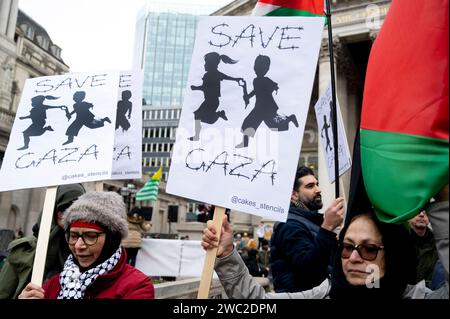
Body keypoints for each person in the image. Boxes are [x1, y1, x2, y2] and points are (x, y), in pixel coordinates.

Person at [202, 209, 448, 299]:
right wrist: (226, 255)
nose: (353, 258)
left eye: (369, 249)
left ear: (393, 255)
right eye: (348, 247)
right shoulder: (325, 293)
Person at [18, 191, 154, 299]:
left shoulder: (137, 286)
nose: (78, 245)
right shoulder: (54, 284)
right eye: (73, 236)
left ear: (112, 239)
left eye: (91, 236)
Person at [0, 184, 86, 299]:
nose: (65, 213)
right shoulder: (24, 249)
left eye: (73, 208)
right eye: (62, 207)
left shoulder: (86, 252)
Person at [269, 166, 344, 292]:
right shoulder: (289, 225)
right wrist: (327, 228)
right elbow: (308, 268)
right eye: (310, 186)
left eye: (317, 184)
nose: (318, 190)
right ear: (294, 194)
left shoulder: (309, 221)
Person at [236, 55, 298, 148]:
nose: (256, 70)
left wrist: (274, 88)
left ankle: (290, 118)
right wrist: (245, 90)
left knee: (268, 125)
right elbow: (255, 91)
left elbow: (273, 86)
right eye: (256, 67)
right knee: (249, 123)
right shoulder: (256, 80)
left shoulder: (265, 80)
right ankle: (245, 143)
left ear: (266, 69)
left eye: (259, 68)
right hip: (260, 107)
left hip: (266, 107)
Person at [189, 52, 242, 141]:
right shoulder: (213, 74)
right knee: (199, 116)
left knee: (201, 117)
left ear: (211, 64)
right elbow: (226, 77)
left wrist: (196, 88)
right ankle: (217, 115)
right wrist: (236, 79)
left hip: (211, 101)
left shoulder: (211, 74)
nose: (204, 65)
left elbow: (206, 88)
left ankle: (218, 115)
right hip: (210, 100)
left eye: (206, 63)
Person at [408, 210, 439, 287]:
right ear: (408, 218)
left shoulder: (439, 243)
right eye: (417, 212)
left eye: (425, 212)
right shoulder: (399, 241)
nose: (421, 215)